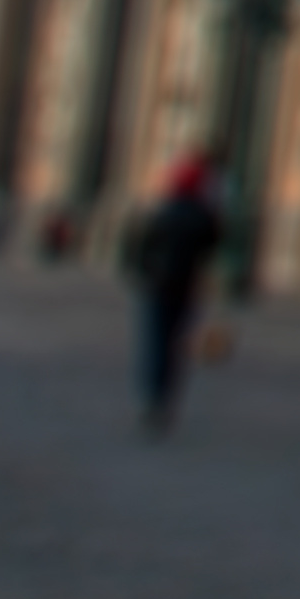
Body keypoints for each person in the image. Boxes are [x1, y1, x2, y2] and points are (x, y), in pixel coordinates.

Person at [118, 154, 233, 433]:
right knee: (176, 345)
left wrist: (144, 273)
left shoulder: (162, 212)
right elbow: (215, 245)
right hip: (186, 288)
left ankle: (151, 398)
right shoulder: (202, 217)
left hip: (159, 286)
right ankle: (167, 398)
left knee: (156, 341)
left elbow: (140, 247)